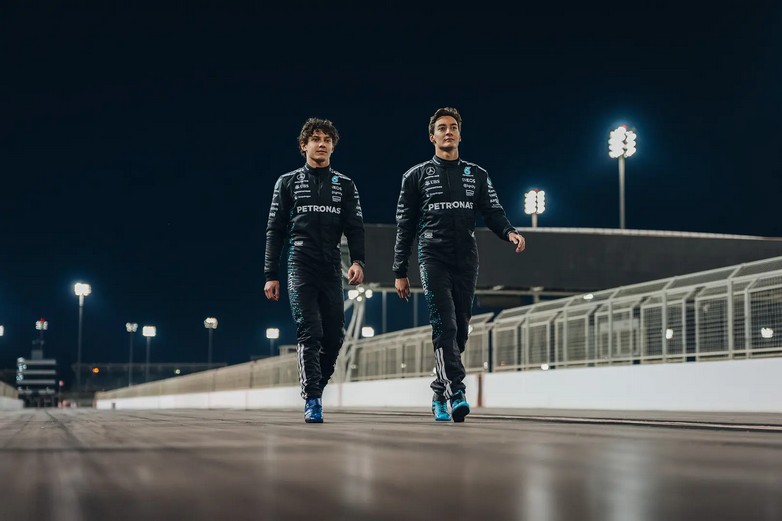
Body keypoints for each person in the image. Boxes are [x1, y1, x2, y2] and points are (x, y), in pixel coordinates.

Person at [393, 107, 526, 423]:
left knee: (460, 331)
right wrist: (400, 270)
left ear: (460, 134)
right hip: (432, 257)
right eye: (442, 128)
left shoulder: (476, 174)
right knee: (445, 326)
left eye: (453, 127)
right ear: (432, 136)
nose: (448, 132)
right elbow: (405, 225)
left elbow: (492, 211)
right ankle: (457, 393)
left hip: (466, 259)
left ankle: (438, 392)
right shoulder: (415, 176)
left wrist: (509, 231)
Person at [264, 117, 365, 423]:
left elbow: (355, 227)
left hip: (331, 266)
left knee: (335, 336)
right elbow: (275, 230)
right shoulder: (287, 182)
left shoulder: (345, 185)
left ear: (333, 147)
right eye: (316, 139)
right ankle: (312, 399)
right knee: (311, 331)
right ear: (303, 146)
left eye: (327, 140)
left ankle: (316, 387)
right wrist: (270, 274)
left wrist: (358, 261)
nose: (322, 144)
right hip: (300, 264)